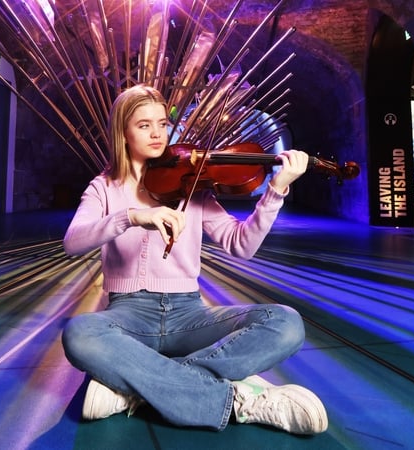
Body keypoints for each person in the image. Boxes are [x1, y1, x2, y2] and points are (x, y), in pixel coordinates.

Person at [61, 84, 327, 434]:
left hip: (190, 315)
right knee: (79, 333)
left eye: (162, 123)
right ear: (123, 133)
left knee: (286, 323)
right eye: (144, 125)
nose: (158, 133)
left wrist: (275, 191)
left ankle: (136, 389)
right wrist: (132, 216)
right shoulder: (105, 187)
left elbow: (240, 245)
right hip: (128, 315)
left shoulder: (193, 184)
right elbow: (73, 242)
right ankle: (240, 400)